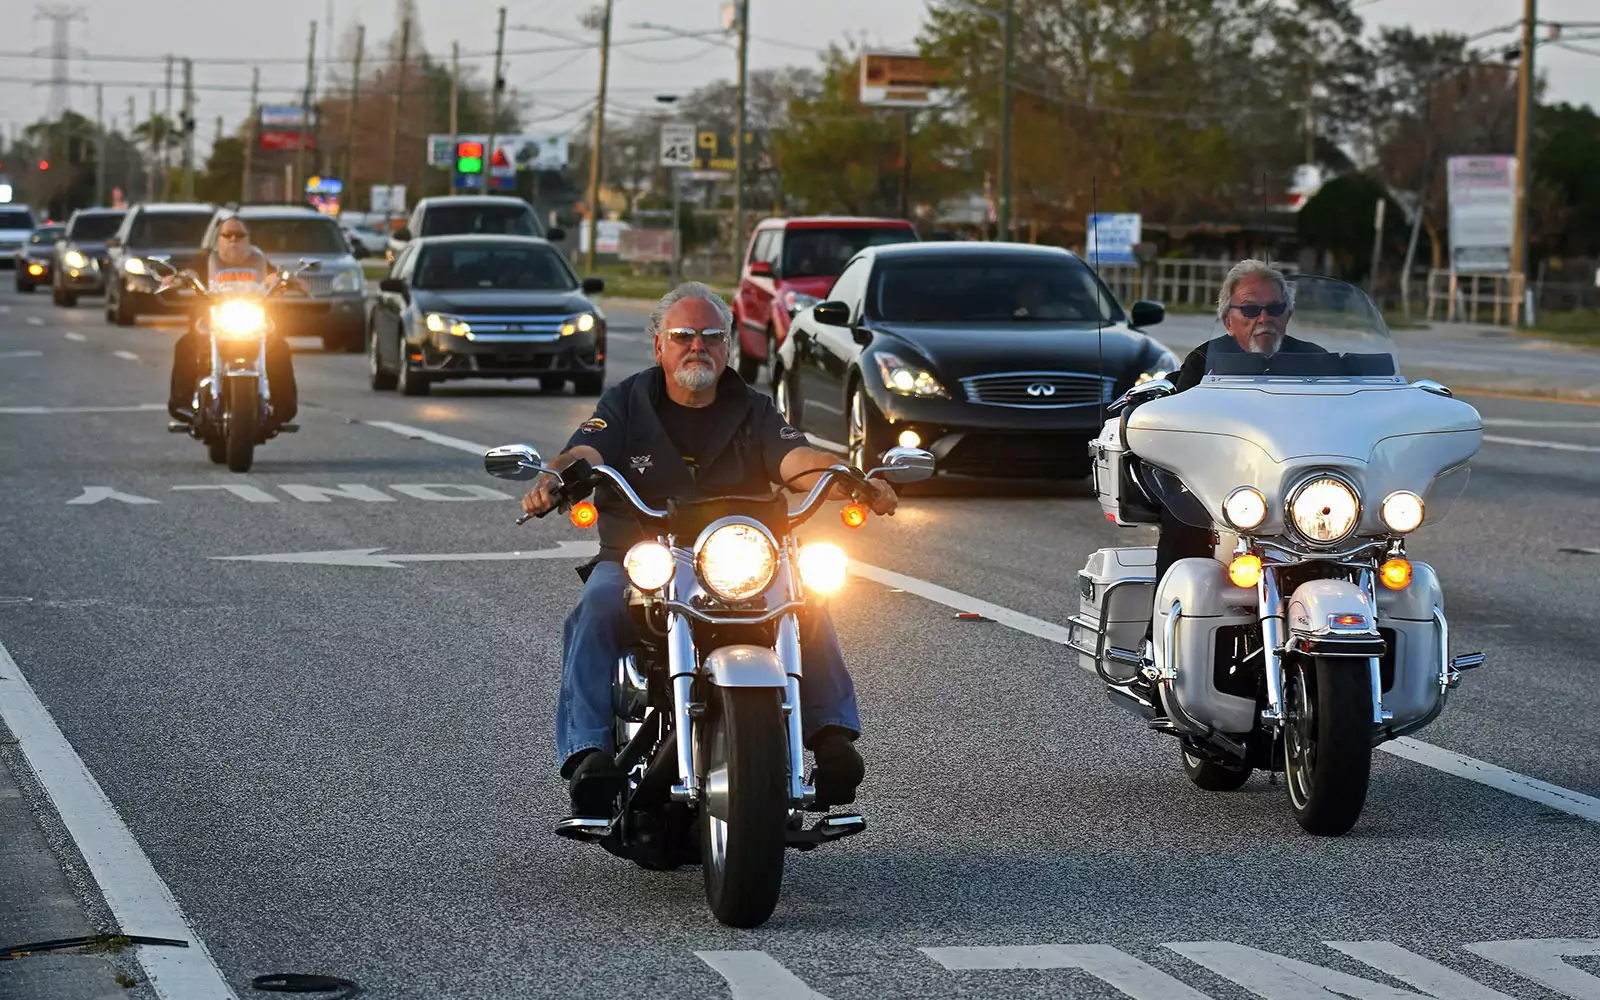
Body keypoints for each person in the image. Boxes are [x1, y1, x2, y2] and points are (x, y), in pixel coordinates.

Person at [521, 282, 898, 818]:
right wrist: (553, 480)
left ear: (728, 347)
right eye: (682, 336)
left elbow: (798, 460)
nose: (697, 346)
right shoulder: (627, 402)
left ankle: (832, 738)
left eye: (711, 336)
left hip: (741, 557)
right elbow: (585, 450)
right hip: (644, 555)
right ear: (659, 347)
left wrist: (848, 479)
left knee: (806, 596)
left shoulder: (754, 409)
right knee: (598, 606)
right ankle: (589, 753)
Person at [1148, 259, 1322, 620]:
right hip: (1219, 483)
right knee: (1184, 519)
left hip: (1300, 485)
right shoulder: (1204, 362)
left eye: (1274, 309)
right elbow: (1179, 428)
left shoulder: (1318, 364)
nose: (1264, 318)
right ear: (1229, 319)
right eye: (1250, 309)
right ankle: (1161, 635)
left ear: (1287, 315)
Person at [166, 215, 298, 429]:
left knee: (279, 348)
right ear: (218, 238)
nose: (233, 239)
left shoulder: (259, 261)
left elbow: (274, 276)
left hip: (253, 322)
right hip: (211, 324)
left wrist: (287, 280)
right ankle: (182, 404)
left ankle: (283, 407)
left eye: (239, 235)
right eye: (227, 235)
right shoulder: (206, 260)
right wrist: (179, 278)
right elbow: (189, 272)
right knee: (185, 346)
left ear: (248, 239)